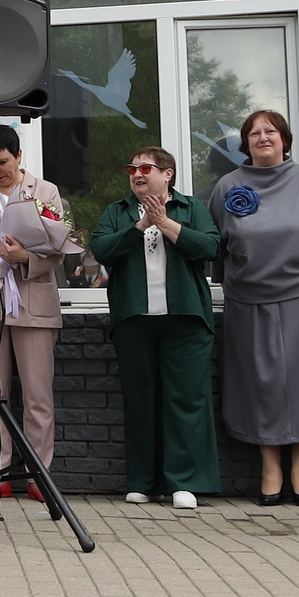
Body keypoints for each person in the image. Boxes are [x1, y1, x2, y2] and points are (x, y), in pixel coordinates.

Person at [207, 110, 299, 504]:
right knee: (262, 383)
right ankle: (271, 469)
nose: (262, 137)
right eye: (254, 133)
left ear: (285, 139)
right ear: (245, 143)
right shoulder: (228, 186)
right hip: (250, 299)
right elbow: (218, 247)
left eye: (270, 131)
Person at [91, 149, 222, 509]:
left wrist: (164, 222)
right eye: (132, 168)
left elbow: (210, 246)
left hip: (185, 319)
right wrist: (140, 226)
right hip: (134, 319)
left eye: (145, 168)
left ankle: (185, 482)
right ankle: (143, 481)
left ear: (168, 175)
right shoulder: (117, 212)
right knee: (140, 400)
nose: (137, 174)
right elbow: (102, 249)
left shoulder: (191, 207)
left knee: (185, 400)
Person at [0, 124, 66, 496]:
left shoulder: (45, 191)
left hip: (33, 299)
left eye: (2, 162)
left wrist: (25, 257)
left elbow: (59, 249)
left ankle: (39, 475)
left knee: (37, 393)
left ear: (19, 156)